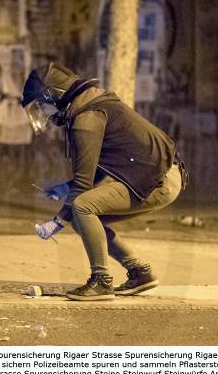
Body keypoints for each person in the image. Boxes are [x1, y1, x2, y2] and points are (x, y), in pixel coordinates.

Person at [21, 62, 189, 301]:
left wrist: (57, 221)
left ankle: (101, 282)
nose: (43, 115)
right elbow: (96, 174)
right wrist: (65, 189)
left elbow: (83, 184)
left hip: (159, 181)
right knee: (82, 219)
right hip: (157, 177)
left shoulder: (87, 118)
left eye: (41, 105)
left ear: (54, 95)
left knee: (83, 207)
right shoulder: (90, 106)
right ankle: (140, 273)